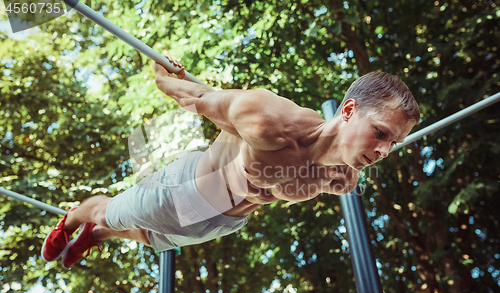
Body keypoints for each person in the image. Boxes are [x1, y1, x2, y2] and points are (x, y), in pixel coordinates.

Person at [42, 59, 419, 268]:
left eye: (395, 143)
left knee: (149, 238)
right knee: (109, 213)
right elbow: (201, 98)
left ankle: (92, 237)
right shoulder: (271, 120)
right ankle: (76, 217)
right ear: (349, 110)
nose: (385, 151)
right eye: (382, 133)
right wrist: (162, 78)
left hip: (224, 223)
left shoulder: (343, 176)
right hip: (182, 192)